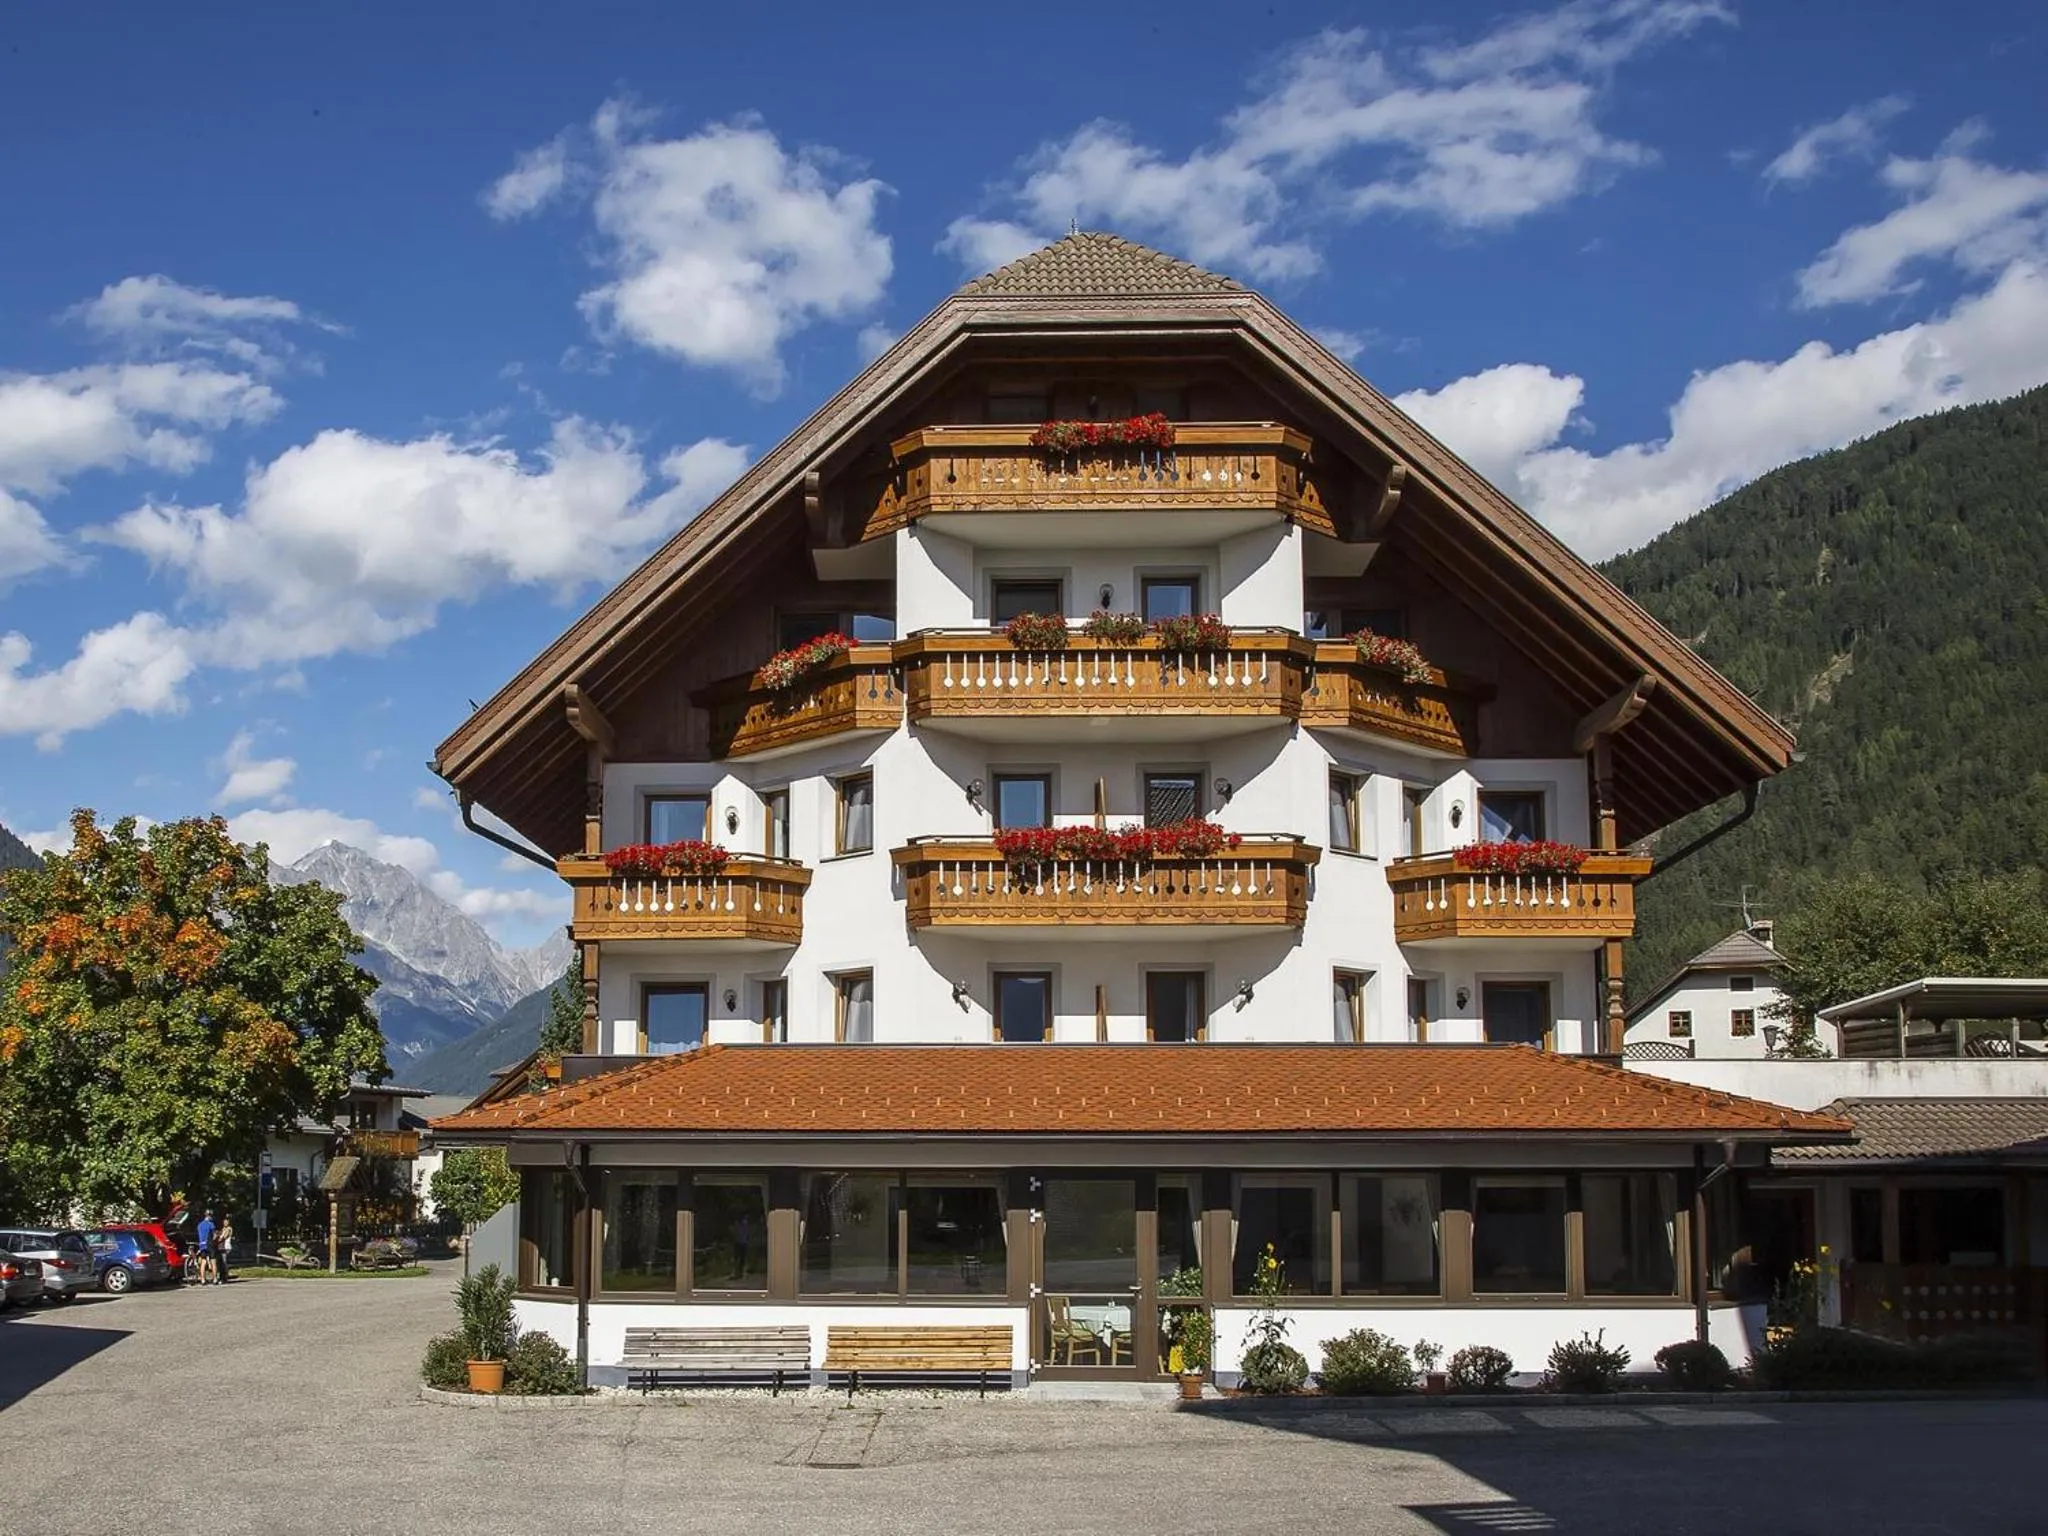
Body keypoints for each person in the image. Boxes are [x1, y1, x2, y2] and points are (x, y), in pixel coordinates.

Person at [194, 1209, 217, 1286]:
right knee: (213, 1261)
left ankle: (203, 1280)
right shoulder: (211, 1224)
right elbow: (214, 1235)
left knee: (203, 1262)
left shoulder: (199, 1225)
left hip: (202, 1245)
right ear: (209, 1216)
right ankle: (215, 1279)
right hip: (209, 1244)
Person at [214, 1215, 235, 1283]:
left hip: (226, 1247)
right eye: (224, 1222)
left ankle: (224, 1277)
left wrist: (218, 1238)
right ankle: (222, 1276)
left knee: (224, 1262)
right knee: (221, 1262)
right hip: (221, 1247)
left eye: (226, 1222)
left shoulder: (229, 1229)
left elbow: (224, 1236)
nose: (225, 1223)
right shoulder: (223, 1228)